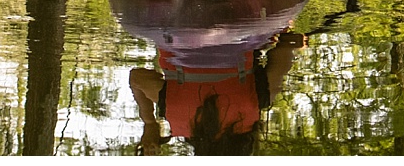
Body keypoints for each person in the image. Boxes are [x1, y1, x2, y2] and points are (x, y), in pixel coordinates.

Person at [129, 31, 307, 155]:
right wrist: (149, 123)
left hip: (240, 26)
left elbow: (285, 48)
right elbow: (136, 78)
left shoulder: (255, 104)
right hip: (174, 27)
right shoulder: (175, 112)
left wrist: (293, 44)